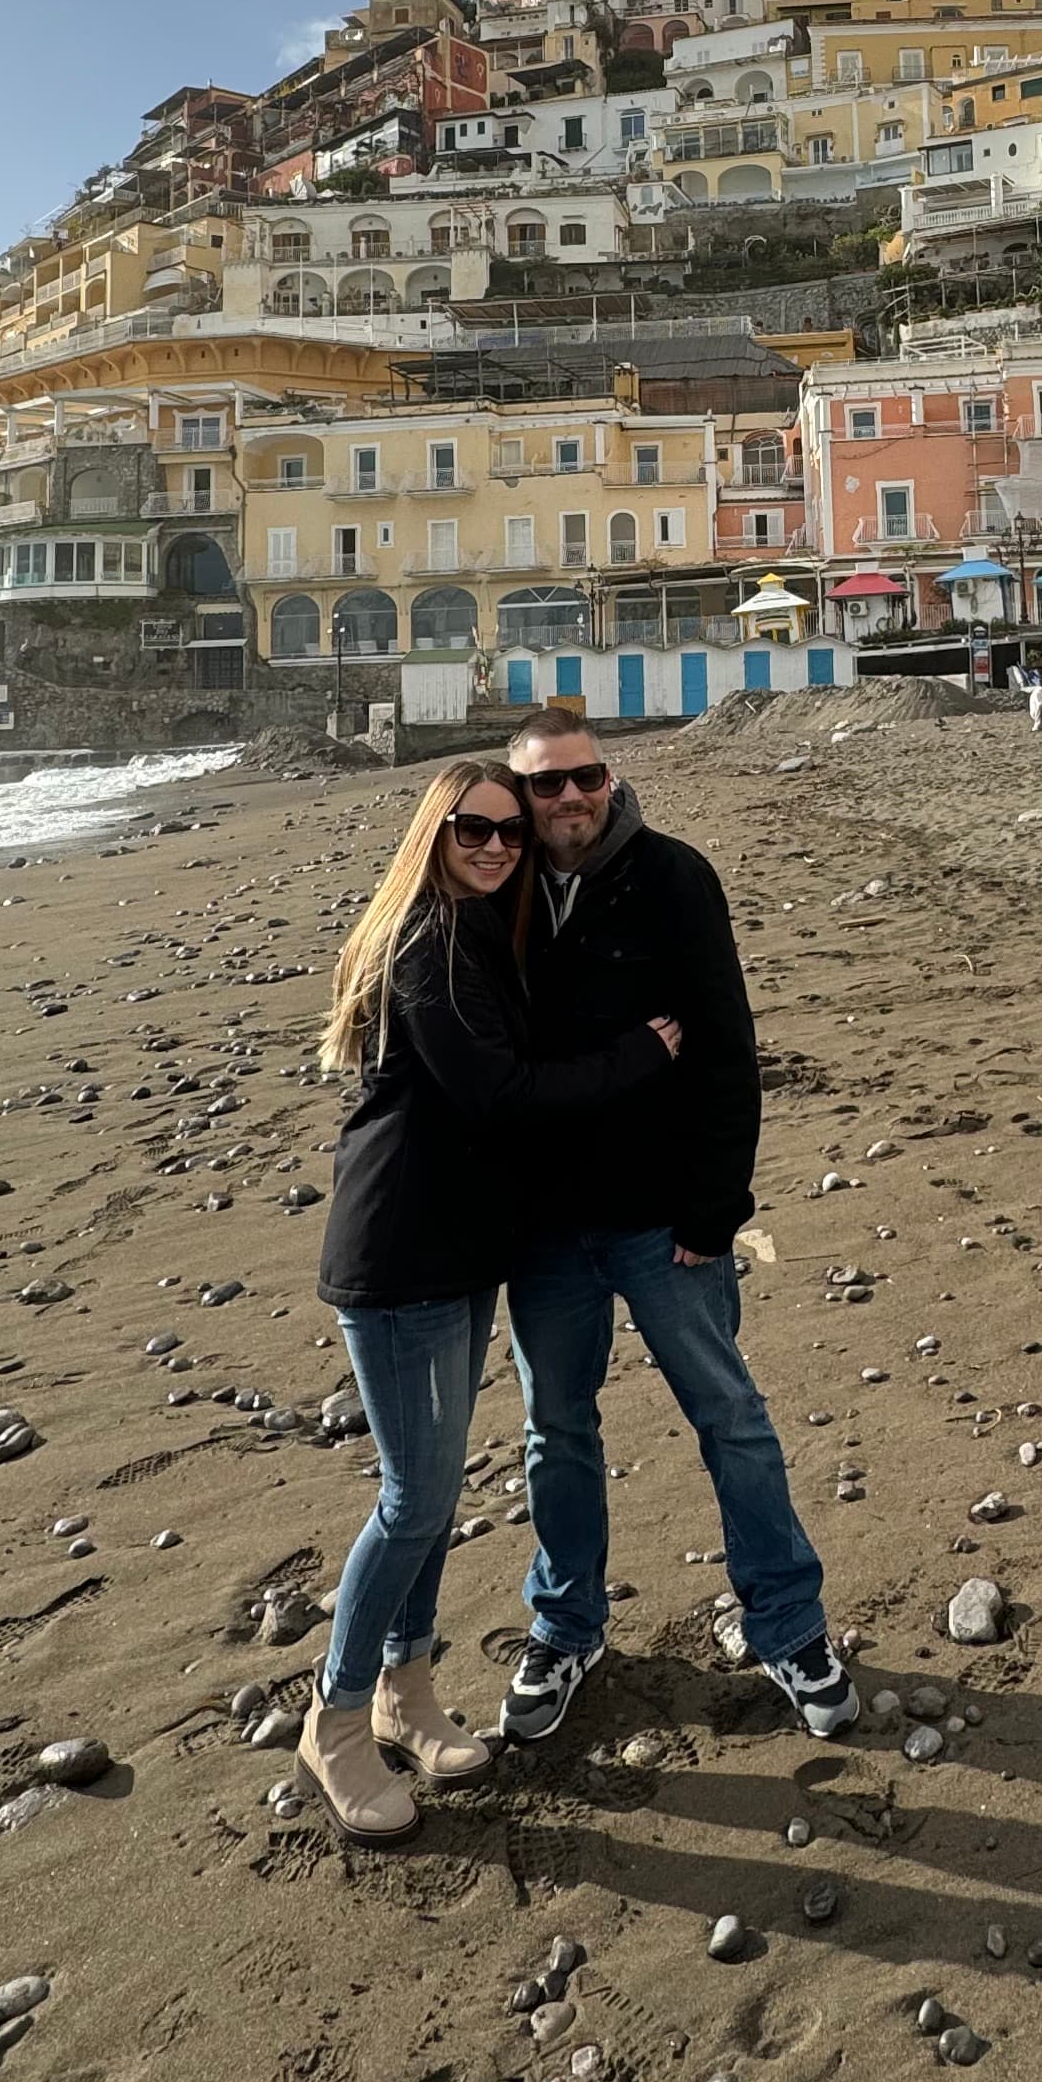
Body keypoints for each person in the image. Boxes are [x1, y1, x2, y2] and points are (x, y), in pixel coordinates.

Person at [304, 760, 681, 1841]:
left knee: (432, 1489)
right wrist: (635, 1057)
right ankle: (331, 1718)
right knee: (415, 1499)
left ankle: (405, 1692)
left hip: (463, 1252)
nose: (498, 847)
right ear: (435, 834)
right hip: (400, 1255)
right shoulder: (427, 942)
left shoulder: (481, 934)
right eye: (475, 831)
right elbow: (497, 1091)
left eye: (511, 835)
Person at [493, 709, 857, 1744]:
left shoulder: (672, 877)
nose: (570, 798)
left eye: (586, 778)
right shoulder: (497, 890)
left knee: (730, 1418)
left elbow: (729, 1052)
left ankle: (789, 1627)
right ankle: (566, 1627)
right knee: (555, 1431)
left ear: (608, 779)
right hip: (548, 1232)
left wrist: (715, 1206)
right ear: (520, 797)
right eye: (548, 785)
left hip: (667, 1222)